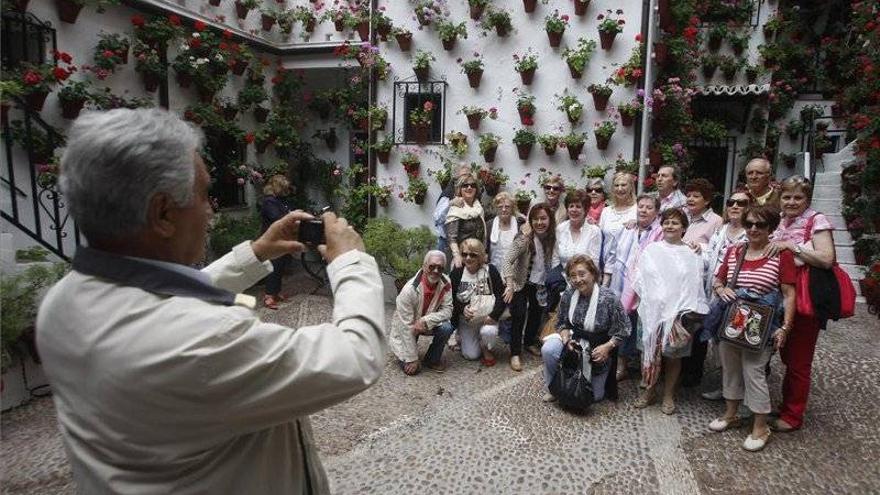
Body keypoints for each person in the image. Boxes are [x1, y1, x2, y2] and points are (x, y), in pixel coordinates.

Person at [36, 108, 385, 494]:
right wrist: (351, 261)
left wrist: (253, 253)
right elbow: (355, 357)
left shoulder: (62, 303)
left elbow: (162, 298)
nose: (211, 210)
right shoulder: (199, 342)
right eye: (204, 195)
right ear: (163, 212)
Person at [708, 205, 796, 452]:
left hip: (763, 323)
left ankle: (760, 426)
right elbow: (718, 280)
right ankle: (731, 414)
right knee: (731, 367)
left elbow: (789, 294)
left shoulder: (780, 255)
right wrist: (720, 289)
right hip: (733, 319)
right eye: (749, 224)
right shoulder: (735, 251)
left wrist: (785, 328)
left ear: (770, 228)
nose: (754, 229)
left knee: (754, 371)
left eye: (760, 225)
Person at [766, 175, 837, 432]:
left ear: (807, 199)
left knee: (798, 360)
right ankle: (786, 405)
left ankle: (793, 415)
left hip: (805, 297)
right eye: (787, 196)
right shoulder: (781, 220)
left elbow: (826, 259)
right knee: (786, 353)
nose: (792, 201)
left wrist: (791, 247)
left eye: (798, 197)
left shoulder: (817, 221)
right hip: (780, 295)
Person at [632, 208, 709, 414]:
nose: (670, 226)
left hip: (677, 315)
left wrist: (679, 309)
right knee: (648, 352)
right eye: (666, 222)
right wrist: (654, 299)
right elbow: (640, 277)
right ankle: (649, 390)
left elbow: (694, 283)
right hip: (651, 312)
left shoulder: (692, 253)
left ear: (684, 228)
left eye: (675, 223)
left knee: (674, 356)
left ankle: (668, 395)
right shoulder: (651, 249)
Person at [541, 256, 630, 403]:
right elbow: (561, 321)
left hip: (598, 350)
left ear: (593, 274)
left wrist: (607, 347)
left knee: (594, 397)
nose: (577, 279)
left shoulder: (608, 298)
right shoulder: (569, 294)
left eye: (582, 274)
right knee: (549, 350)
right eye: (573, 276)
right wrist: (565, 338)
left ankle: (595, 376)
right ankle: (554, 387)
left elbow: (624, 328)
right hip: (574, 343)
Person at [699, 190, 751, 401]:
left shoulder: (753, 232)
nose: (735, 206)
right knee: (718, 343)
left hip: (741, 297)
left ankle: (745, 396)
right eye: (731, 202)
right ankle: (727, 389)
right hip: (716, 292)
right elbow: (709, 258)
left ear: (750, 207)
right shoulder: (721, 230)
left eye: (741, 203)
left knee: (741, 345)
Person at [610, 194, 663, 380]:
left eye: (649, 207)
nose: (644, 210)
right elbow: (613, 254)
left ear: (656, 212)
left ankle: (645, 370)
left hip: (645, 289)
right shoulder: (627, 229)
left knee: (643, 330)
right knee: (624, 324)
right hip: (622, 284)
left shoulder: (660, 233)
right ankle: (622, 365)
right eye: (641, 206)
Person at [502, 203, 556, 372]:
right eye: (536, 219)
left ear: (550, 220)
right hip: (520, 283)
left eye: (543, 218)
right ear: (530, 221)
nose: (540, 222)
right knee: (519, 315)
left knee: (536, 313)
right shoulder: (524, 238)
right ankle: (515, 353)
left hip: (539, 283)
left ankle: (529, 342)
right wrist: (510, 285)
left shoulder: (551, 237)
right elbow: (507, 261)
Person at [388, 250, 455, 375]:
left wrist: (425, 320)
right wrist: (412, 359)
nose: (435, 271)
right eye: (432, 266)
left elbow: (448, 310)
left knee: (447, 328)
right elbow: (405, 327)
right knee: (413, 370)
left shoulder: (446, 282)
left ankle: (432, 359)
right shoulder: (409, 290)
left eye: (440, 268)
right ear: (424, 266)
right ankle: (411, 356)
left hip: (427, 323)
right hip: (407, 327)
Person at [450, 239, 506, 366]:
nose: (468, 258)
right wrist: (462, 309)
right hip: (467, 322)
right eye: (464, 254)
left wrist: (493, 316)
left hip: (487, 319)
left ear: (480, 256)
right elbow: (450, 299)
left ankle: (485, 346)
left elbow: (501, 296)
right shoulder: (457, 273)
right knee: (471, 355)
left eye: (473, 255)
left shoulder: (490, 270)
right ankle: (461, 336)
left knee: (488, 332)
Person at [552, 189, 608, 284]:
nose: (574, 210)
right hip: (562, 281)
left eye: (578, 207)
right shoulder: (560, 229)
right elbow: (555, 258)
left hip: (585, 282)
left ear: (585, 210)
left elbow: (594, 264)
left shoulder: (594, 231)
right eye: (571, 206)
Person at [260, 174, 292, 310]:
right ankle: (268, 296)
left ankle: (276, 293)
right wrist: (290, 215)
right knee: (273, 267)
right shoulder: (269, 201)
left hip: (280, 237)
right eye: (283, 187)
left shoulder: (278, 200)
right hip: (271, 239)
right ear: (277, 187)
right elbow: (276, 218)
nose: (285, 191)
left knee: (280, 267)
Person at [446, 173, 487, 269]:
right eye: (465, 185)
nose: (469, 188)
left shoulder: (479, 207)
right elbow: (451, 237)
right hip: (462, 258)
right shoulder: (455, 209)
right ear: (460, 189)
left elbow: (483, 233)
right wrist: (457, 256)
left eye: (473, 185)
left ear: (476, 189)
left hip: (477, 257)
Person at [433, 164, 473, 253]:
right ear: (456, 177)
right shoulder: (448, 193)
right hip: (446, 243)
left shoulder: (471, 191)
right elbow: (437, 218)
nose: (467, 177)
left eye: (469, 175)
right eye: (464, 175)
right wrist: (450, 203)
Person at [486, 191, 525, 268]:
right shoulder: (489, 225)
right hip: (494, 270)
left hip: (515, 271)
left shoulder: (519, 224)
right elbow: (485, 249)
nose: (503, 209)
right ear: (496, 208)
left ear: (512, 208)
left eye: (507, 206)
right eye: (500, 207)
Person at [599, 172, 638, 244]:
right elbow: (600, 237)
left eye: (623, 185)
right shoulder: (606, 211)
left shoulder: (638, 209)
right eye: (616, 185)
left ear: (631, 187)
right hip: (607, 255)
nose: (620, 189)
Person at [683, 178, 724, 246]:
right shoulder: (684, 217)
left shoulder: (717, 221)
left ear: (707, 200)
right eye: (688, 196)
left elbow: (717, 248)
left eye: (696, 196)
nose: (690, 199)